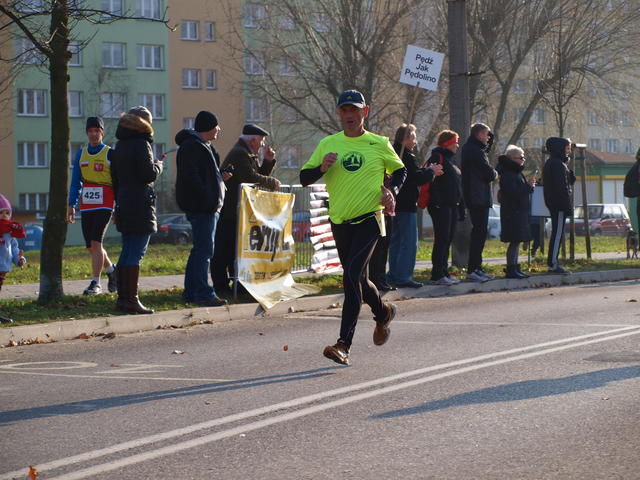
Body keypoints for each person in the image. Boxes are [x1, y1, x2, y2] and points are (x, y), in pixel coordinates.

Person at [300, 89, 406, 366]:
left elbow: (400, 170)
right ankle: (383, 312)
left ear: (364, 112)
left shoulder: (379, 143)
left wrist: (392, 190)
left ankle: (343, 345)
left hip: (370, 218)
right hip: (340, 221)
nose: (349, 115)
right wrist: (322, 168)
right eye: (345, 110)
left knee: (350, 277)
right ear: (339, 113)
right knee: (359, 279)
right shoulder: (328, 143)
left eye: (354, 110)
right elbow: (304, 178)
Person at [212, 124, 281, 294]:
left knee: (235, 251)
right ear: (252, 140)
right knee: (225, 251)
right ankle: (221, 286)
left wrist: (268, 161)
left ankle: (236, 285)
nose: (262, 145)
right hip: (230, 211)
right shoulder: (240, 153)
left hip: (238, 211)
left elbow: (256, 176)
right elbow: (249, 177)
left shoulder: (246, 153)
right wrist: (271, 183)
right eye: (261, 141)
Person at [110, 106, 163, 314]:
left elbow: (114, 178)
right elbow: (147, 174)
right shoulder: (142, 143)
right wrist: (158, 165)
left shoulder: (120, 145)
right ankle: (132, 300)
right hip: (140, 204)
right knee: (136, 253)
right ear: (144, 123)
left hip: (124, 202)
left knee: (127, 251)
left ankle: (123, 299)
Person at [175, 111, 229, 307]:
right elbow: (191, 178)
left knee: (200, 250)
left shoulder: (203, 146)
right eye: (216, 125)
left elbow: (203, 176)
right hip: (202, 207)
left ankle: (191, 292)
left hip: (206, 206)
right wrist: (208, 196)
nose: (219, 129)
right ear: (209, 127)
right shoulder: (192, 146)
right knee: (205, 251)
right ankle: (203, 293)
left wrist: (219, 178)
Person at [386, 123, 443, 288]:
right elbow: (416, 178)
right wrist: (431, 171)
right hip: (405, 203)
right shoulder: (406, 156)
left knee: (396, 242)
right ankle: (403, 276)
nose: (416, 142)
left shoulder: (392, 153)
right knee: (409, 243)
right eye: (414, 138)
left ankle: (394, 274)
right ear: (406, 139)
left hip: (395, 203)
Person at [67, 116, 117, 295]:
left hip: (106, 203)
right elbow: (76, 182)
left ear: (102, 132)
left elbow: (117, 182)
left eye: (97, 131)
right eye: (90, 131)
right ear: (87, 133)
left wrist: (117, 207)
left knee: (96, 242)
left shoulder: (110, 153)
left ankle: (96, 283)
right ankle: (112, 270)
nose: (94, 134)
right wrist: (71, 204)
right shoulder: (81, 154)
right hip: (87, 204)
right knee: (91, 246)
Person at [426, 130, 464, 286]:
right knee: (441, 240)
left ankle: (444, 271)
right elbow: (431, 181)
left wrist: (460, 207)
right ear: (448, 143)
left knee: (447, 239)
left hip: (451, 206)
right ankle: (437, 274)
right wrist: (438, 201)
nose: (457, 145)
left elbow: (456, 185)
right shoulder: (437, 157)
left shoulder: (450, 160)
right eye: (455, 142)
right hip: (440, 206)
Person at [461, 123, 498, 282]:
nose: (488, 138)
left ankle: (477, 267)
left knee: (480, 234)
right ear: (479, 134)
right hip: (477, 197)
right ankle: (473, 269)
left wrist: (490, 141)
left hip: (477, 196)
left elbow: (485, 152)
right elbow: (489, 173)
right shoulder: (475, 151)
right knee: (479, 234)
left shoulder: (473, 149)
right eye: (487, 134)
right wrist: (495, 173)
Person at [496, 145, 535, 278]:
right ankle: (511, 268)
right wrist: (527, 186)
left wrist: (528, 186)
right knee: (514, 241)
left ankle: (515, 268)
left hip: (518, 211)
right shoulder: (508, 174)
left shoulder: (515, 172)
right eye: (521, 157)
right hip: (513, 212)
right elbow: (513, 193)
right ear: (512, 158)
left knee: (517, 241)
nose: (523, 160)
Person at [542, 137, 575, 274]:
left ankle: (553, 262)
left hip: (555, 203)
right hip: (559, 204)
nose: (569, 151)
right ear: (559, 149)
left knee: (557, 232)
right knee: (557, 234)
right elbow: (562, 187)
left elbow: (567, 181)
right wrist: (567, 206)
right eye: (567, 148)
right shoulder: (557, 164)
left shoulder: (554, 163)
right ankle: (553, 264)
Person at [0, 194, 26, 323]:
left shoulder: (10, 231)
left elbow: (14, 249)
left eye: (7, 213)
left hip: (3, 268)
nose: (4, 216)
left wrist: (19, 259)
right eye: (0, 213)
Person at [368, 174, 396, 292]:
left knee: (384, 246)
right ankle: (375, 280)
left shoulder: (389, 173)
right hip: (378, 213)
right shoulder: (374, 173)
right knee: (378, 247)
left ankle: (382, 278)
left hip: (388, 213)